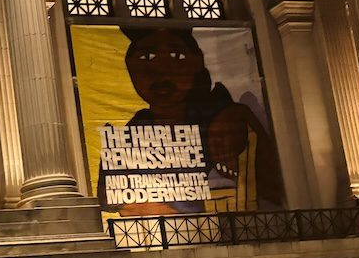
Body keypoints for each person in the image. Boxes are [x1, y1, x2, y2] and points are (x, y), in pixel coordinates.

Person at [100, 26, 284, 215]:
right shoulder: (133, 131)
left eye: (176, 56)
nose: (161, 70)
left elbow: (273, 189)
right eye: (146, 57)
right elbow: (109, 198)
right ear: (130, 67)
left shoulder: (226, 117)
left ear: (197, 62)